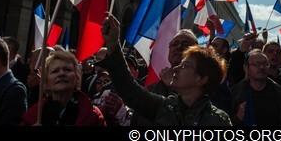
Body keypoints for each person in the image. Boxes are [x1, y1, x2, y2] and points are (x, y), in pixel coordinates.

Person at [97, 15, 231, 126]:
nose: (177, 68)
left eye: (185, 66)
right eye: (174, 44)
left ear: (201, 78)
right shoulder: (165, 106)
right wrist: (114, 44)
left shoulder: (219, 121)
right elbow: (130, 90)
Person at [22, 50, 104, 126]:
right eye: (55, 71)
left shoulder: (92, 115)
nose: (61, 74)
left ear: (76, 77)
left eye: (67, 70)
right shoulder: (34, 115)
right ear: (46, 81)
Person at [231, 49, 281, 126]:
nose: (261, 67)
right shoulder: (236, 92)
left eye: (265, 64)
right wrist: (237, 118)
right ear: (246, 68)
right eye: (256, 64)